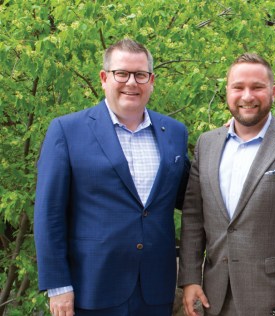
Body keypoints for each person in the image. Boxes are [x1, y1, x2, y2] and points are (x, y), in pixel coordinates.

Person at [34, 38, 190, 316]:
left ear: (151, 81)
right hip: (91, 288)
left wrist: (232, 135)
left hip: (155, 289)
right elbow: (49, 213)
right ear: (105, 78)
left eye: (140, 75)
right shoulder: (67, 131)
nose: (132, 82)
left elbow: (192, 198)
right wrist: (58, 285)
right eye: (122, 73)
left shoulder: (174, 132)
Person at [177, 53, 275, 316]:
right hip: (215, 296)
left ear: (273, 91)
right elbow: (194, 219)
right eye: (238, 87)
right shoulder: (207, 144)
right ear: (227, 91)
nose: (247, 96)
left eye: (257, 87)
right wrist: (190, 278)